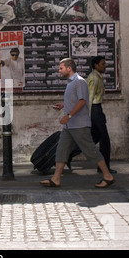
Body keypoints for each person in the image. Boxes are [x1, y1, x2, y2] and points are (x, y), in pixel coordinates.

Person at [40, 58, 115, 188]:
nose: (59, 70)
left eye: (61, 68)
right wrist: (64, 105)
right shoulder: (71, 83)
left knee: (90, 151)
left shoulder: (79, 82)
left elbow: (82, 101)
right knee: (61, 150)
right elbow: (76, 100)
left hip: (79, 124)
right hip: (70, 126)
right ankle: (56, 179)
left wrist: (68, 115)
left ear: (69, 68)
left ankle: (108, 176)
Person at [87, 56, 117, 174]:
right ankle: (104, 167)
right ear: (96, 65)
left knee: (94, 138)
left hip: (97, 109)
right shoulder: (94, 78)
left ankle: (69, 154)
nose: (105, 66)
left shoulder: (98, 77)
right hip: (94, 110)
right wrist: (88, 117)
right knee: (104, 139)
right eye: (102, 64)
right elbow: (89, 98)